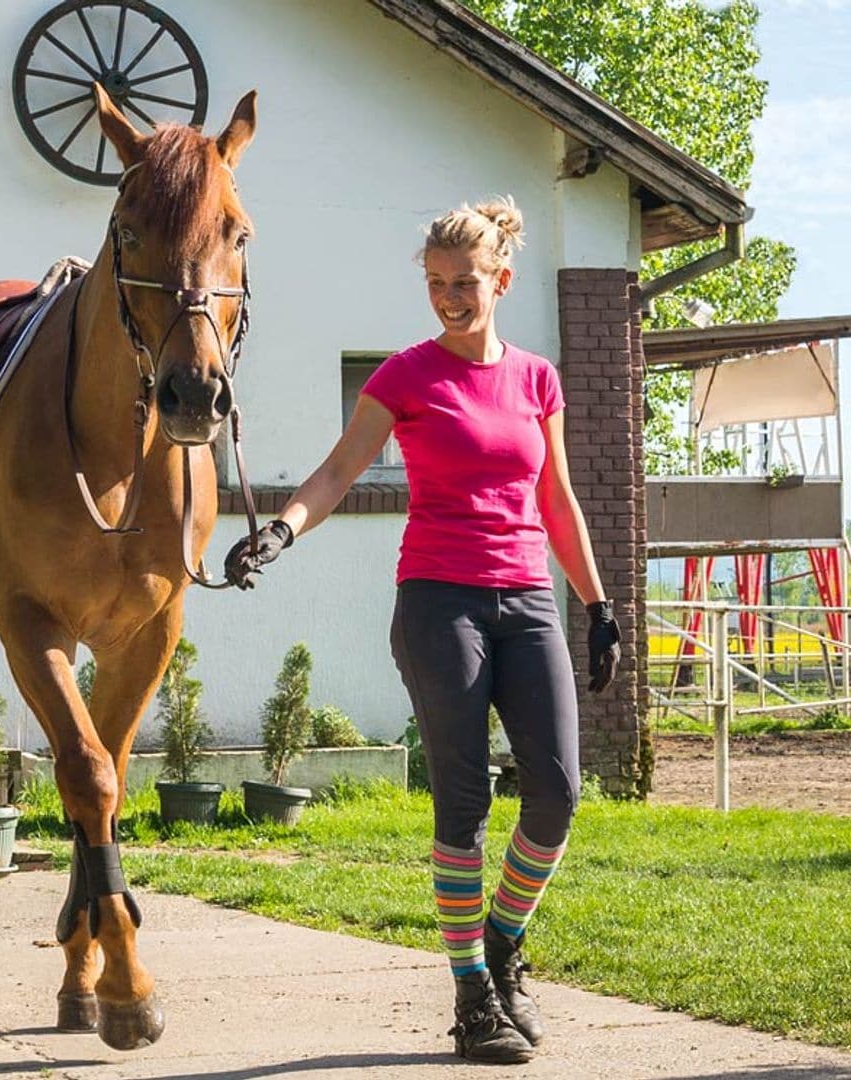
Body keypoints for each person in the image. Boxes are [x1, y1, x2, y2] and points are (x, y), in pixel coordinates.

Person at [224, 198, 621, 1065]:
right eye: (437, 283)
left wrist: (599, 605)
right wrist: (282, 529)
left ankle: (504, 947)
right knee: (465, 800)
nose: (449, 297)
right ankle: (472, 996)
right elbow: (336, 471)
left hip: (526, 601)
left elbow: (555, 500)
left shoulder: (537, 378)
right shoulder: (405, 377)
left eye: (465, 283)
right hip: (439, 600)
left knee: (555, 793)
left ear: (500, 281)